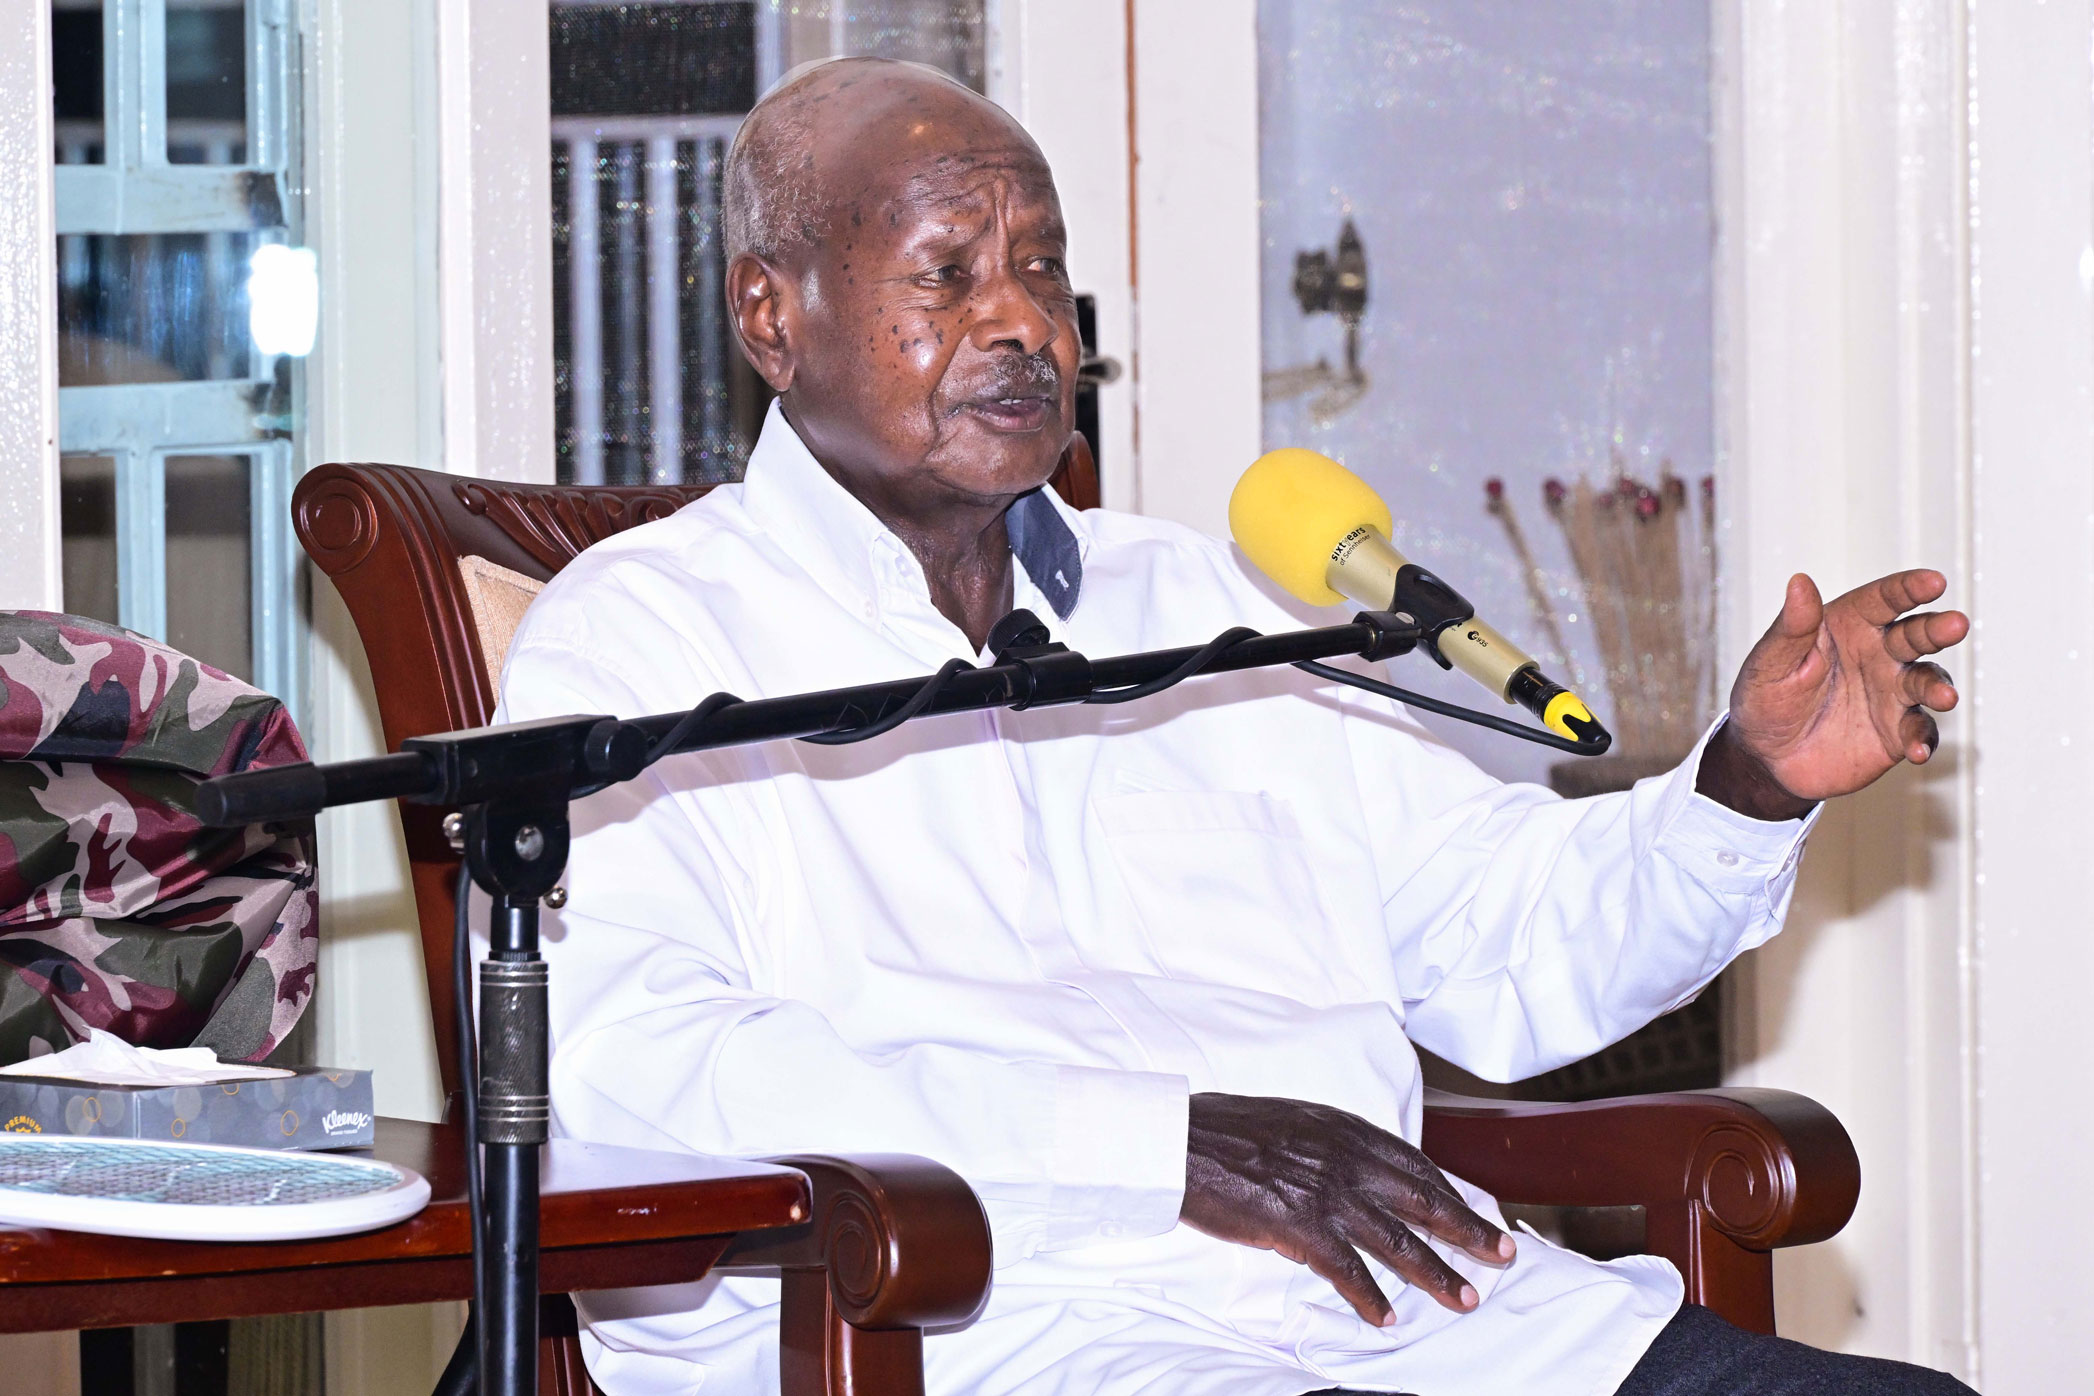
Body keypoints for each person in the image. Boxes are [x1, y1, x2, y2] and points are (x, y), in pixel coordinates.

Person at [498, 57, 1972, 1396]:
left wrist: (1747, 784)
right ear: (772, 315)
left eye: (1041, 267)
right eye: (946, 274)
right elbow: (641, 1075)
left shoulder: (1204, 609)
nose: (1021, 323)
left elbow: (1503, 938)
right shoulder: (646, 637)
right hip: (982, 1331)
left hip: (1431, 1326)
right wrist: (1160, 1145)